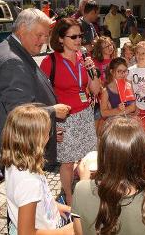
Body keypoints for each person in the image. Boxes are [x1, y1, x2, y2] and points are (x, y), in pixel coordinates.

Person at [0, 8, 71, 169]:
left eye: (46, 36)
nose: (43, 41)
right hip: (22, 151)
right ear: (22, 29)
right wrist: (53, 111)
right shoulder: (12, 61)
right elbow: (20, 113)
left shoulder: (12, 49)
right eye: (39, 35)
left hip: (24, 146)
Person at [71, 116, 145, 235]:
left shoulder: (81, 190)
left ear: (102, 155)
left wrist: (84, 181)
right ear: (142, 158)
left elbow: (78, 232)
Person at [40, 18, 101, 205]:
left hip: (85, 115)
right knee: (67, 162)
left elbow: (96, 90)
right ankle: (69, 195)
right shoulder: (49, 62)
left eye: (80, 36)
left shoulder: (84, 58)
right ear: (60, 38)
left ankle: (89, 192)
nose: (78, 40)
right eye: (73, 36)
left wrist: (93, 71)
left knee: (90, 158)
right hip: (64, 119)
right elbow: (42, 97)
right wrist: (52, 126)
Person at [0, 104, 73, 234]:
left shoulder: (17, 163)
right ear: (35, 140)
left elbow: (41, 200)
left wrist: (57, 207)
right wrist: (68, 231)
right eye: (47, 133)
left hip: (50, 221)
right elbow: (26, 233)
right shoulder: (29, 182)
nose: (49, 137)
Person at [127, 41, 145, 112]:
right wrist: (134, 106)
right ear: (135, 54)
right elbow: (129, 91)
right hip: (137, 107)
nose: (140, 55)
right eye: (138, 53)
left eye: (143, 53)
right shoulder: (130, 70)